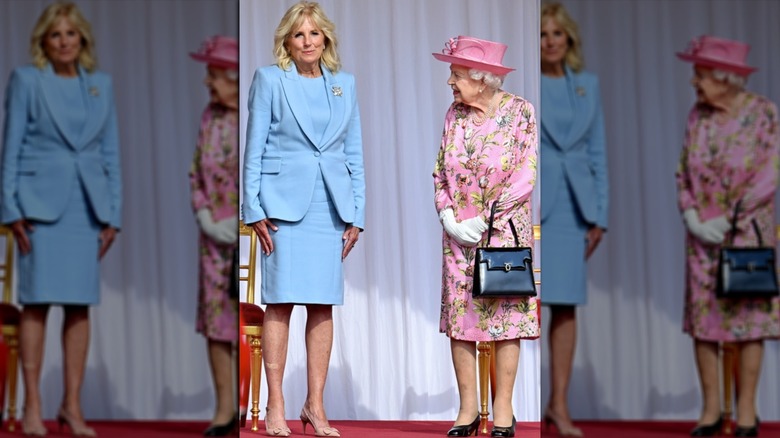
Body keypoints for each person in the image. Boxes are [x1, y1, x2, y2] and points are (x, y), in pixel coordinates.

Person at [241, 1, 365, 437]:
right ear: (287, 42)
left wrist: (358, 214)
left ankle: (315, 405)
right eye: (299, 35)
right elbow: (253, 148)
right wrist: (252, 208)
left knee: (322, 304)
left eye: (315, 34)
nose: (308, 41)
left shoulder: (343, 85)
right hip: (281, 209)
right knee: (280, 303)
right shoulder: (270, 80)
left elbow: (353, 154)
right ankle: (276, 405)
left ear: (325, 38)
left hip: (330, 209)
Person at [0, 2, 121, 436]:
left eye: (71, 34)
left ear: (82, 39)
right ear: (43, 42)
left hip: (87, 210)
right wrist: (11, 209)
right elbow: (9, 147)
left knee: (78, 307)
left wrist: (114, 215)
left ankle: (72, 405)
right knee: (35, 304)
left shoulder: (100, 86)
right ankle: (33, 405)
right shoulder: (28, 81)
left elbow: (110, 154)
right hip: (38, 210)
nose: (65, 41)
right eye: (56, 35)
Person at [431, 35, 539, 438]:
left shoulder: (520, 113)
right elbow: (440, 169)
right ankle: (467, 410)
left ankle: (504, 409)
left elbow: (525, 175)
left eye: (456, 74)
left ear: (482, 78)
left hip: (504, 233)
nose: (450, 82)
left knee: (506, 316)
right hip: (459, 238)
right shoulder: (453, 115)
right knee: (461, 319)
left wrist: (487, 220)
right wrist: (449, 216)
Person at [675, 35, 780, 438]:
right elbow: (683, 169)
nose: (694, 82)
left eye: (700, 74)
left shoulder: (763, 113)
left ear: (725, 77)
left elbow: (770, 171)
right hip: (703, 237)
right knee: (704, 322)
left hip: (748, 232)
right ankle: (711, 411)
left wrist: (733, 215)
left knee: (749, 321)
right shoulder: (696, 115)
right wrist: (693, 215)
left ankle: (748, 412)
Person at [538, 3, 608, 436]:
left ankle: (559, 406)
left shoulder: (587, 86)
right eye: (543, 34)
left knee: (565, 308)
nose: (550, 41)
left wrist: (599, 214)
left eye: (557, 34)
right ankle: (518, 405)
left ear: (569, 40)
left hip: (575, 210)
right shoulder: (528, 80)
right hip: (534, 207)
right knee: (519, 305)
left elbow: (597, 151)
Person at [188, 35, 240, 437]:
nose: (208, 82)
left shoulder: (252, 117)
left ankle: (246, 405)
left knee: (242, 324)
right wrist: (205, 215)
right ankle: (223, 412)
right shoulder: (210, 116)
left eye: (213, 74)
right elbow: (196, 172)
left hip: (248, 237)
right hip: (213, 239)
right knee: (216, 325)